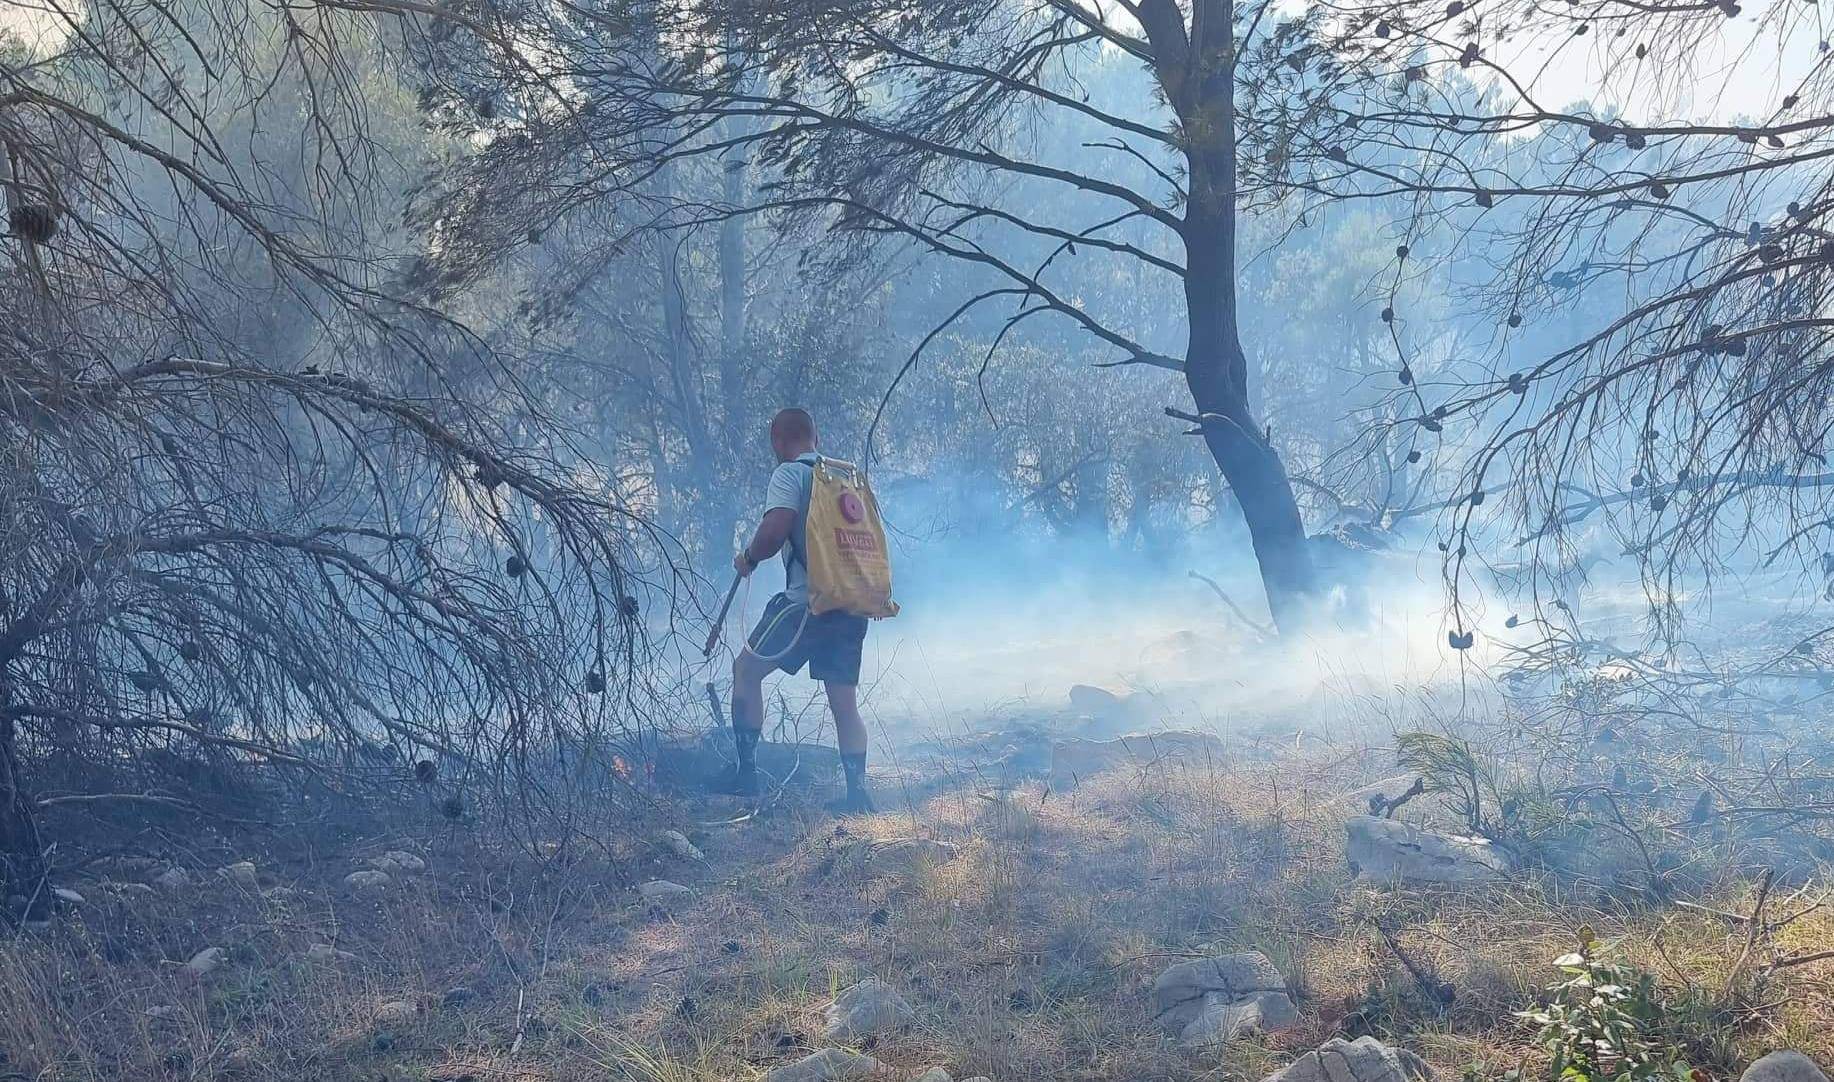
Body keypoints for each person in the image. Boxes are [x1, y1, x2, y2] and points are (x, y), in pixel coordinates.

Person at [712, 408, 875, 813]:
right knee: (844, 703)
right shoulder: (842, 478)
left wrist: (749, 557)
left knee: (745, 671)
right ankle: (858, 795)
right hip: (849, 606)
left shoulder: (789, 474)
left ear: (778, 442)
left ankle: (746, 776)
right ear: (815, 437)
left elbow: (775, 528)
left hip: (805, 605)